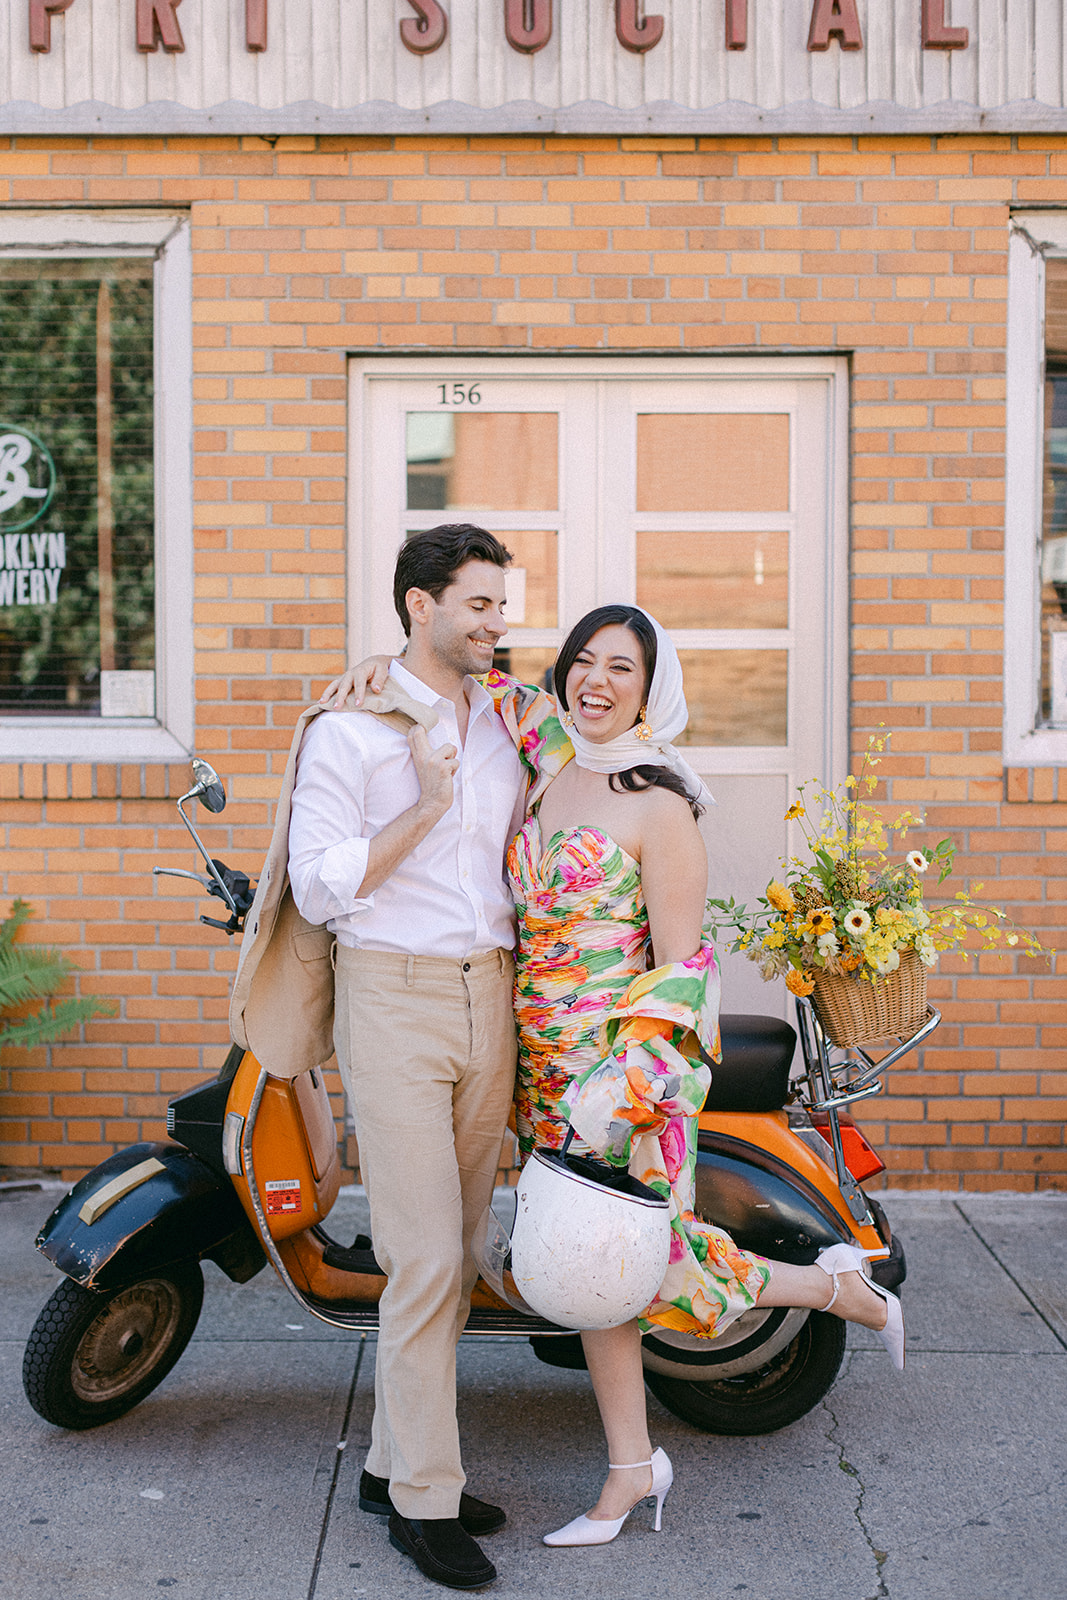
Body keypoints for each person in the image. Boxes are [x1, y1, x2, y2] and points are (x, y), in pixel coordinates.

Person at [329, 602, 905, 1553]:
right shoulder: (547, 752)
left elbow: (682, 964)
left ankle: (823, 1301)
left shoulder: (660, 799)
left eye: (621, 670)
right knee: (592, 1270)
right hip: (539, 1074)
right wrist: (368, 675)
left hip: (622, 1081)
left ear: (652, 688)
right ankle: (652, 1450)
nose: (596, 681)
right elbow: (455, 673)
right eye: (583, 662)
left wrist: (628, 1089)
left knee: (627, 1265)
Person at [287, 523, 533, 1593]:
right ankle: (424, 1504)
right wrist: (426, 805)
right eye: (477, 604)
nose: (497, 622)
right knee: (424, 1257)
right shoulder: (347, 731)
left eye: (502, 603)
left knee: (462, 1243)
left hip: (494, 996)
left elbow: (613, 734)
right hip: (390, 997)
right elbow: (315, 884)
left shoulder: (511, 716)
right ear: (419, 604)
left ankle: (393, 1466)